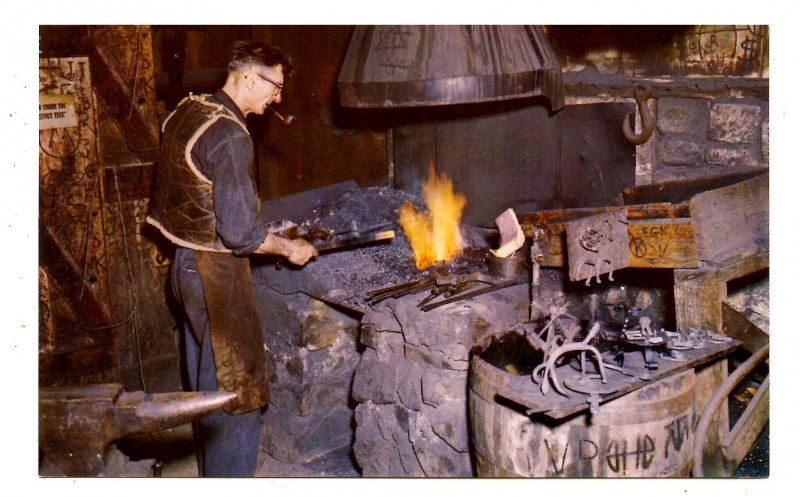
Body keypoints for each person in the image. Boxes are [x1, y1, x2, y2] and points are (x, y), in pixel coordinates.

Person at [146, 40, 317, 477]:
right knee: (236, 393)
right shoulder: (230, 136)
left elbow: (200, 190)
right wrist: (287, 247)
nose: (277, 99)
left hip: (184, 263)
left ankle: (210, 474)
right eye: (275, 88)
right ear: (247, 76)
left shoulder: (190, 109)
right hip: (215, 274)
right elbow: (240, 235)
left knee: (207, 386)